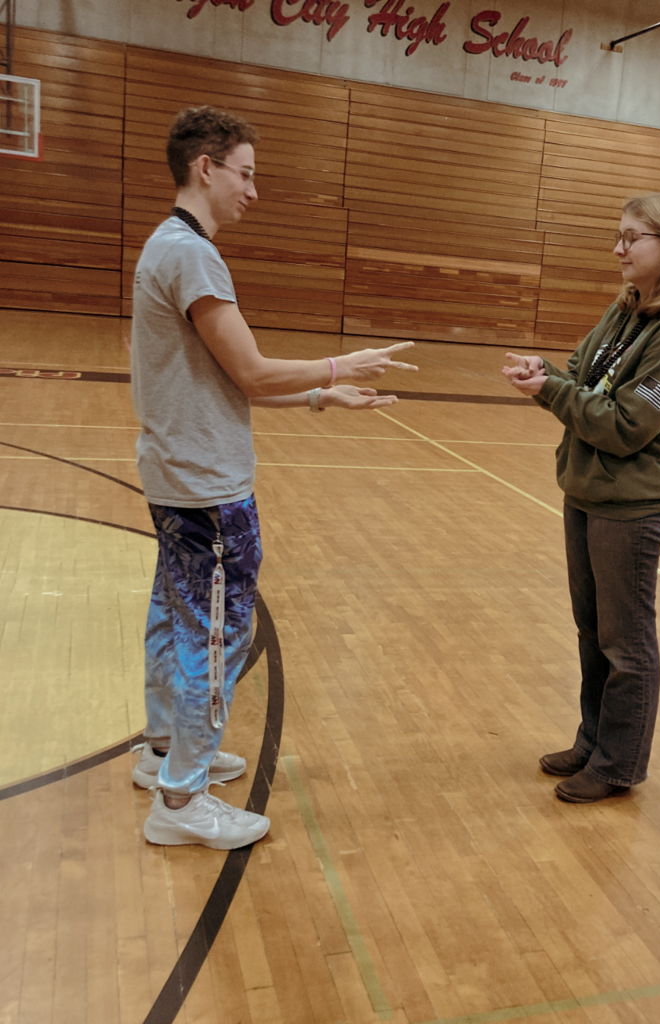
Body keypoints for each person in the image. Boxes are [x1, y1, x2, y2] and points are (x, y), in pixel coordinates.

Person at [129, 106, 417, 849]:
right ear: (207, 168)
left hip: (174, 478)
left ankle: (164, 747)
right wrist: (336, 363)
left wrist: (322, 396)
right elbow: (253, 370)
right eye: (246, 174)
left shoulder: (166, 246)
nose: (252, 191)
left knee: (175, 616)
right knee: (217, 638)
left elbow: (234, 381)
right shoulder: (191, 255)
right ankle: (182, 799)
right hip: (208, 489)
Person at [502, 192, 660, 804]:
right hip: (588, 493)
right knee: (591, 629)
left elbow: (626, 426)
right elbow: (577, 372)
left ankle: (619, 763)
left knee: (625, 643)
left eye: (632, 238)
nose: (618, 249)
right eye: (619, 235)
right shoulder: (628, 308)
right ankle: (593, 740)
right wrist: (543, 371)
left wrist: (550, 391)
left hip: (634, 507)